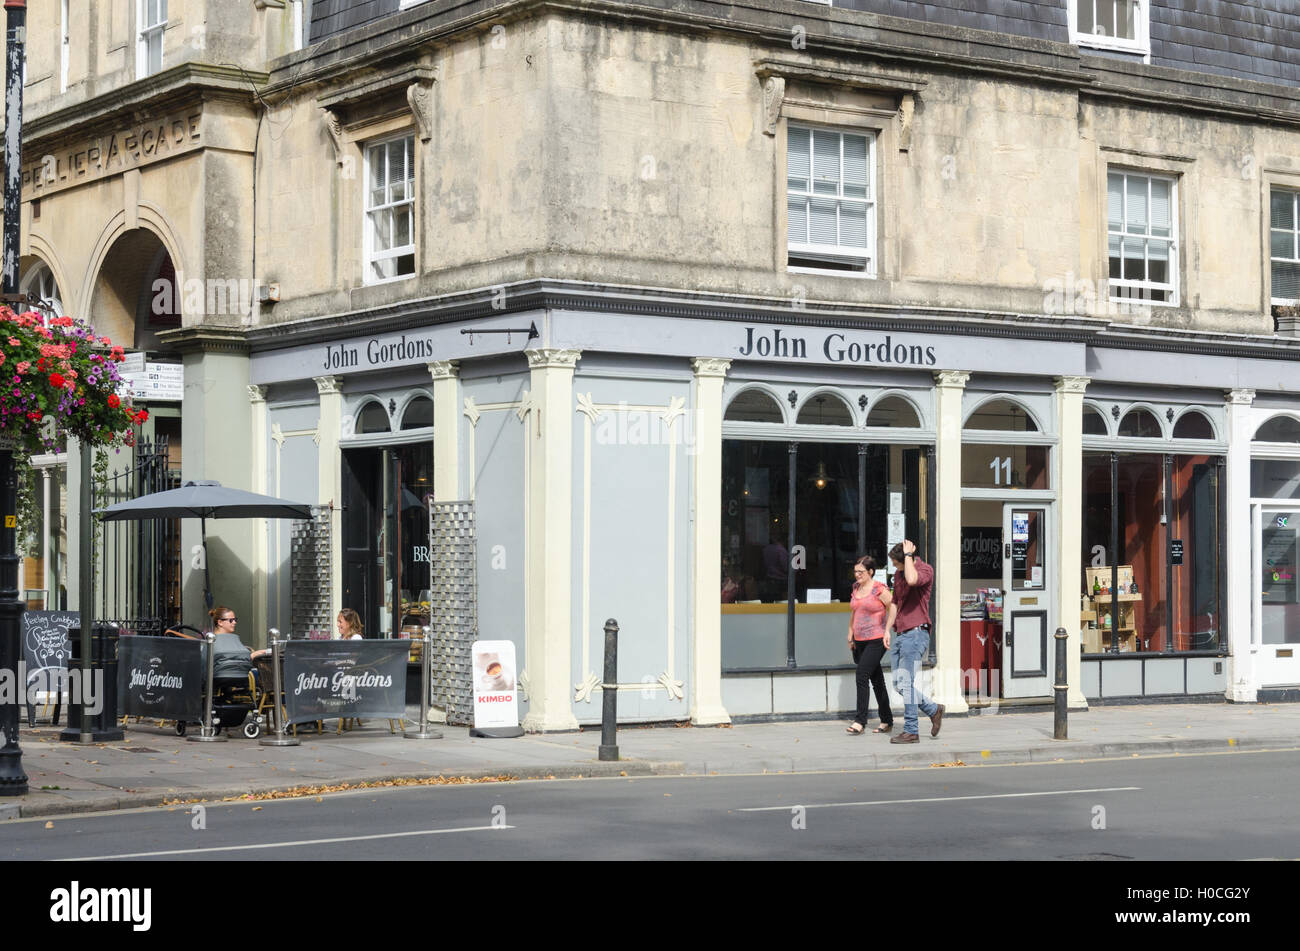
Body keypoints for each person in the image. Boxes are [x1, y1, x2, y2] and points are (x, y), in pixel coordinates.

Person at [884, 539, 944, 744]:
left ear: (906, 559)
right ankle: (933, 709)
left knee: (905, 683)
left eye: (895, 562)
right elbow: (894, 603)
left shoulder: (924, 570)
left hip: (916, 633)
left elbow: (912, 580)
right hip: (900, 634)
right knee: (899, 684)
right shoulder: (900, 574)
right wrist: (886, 630)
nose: (893, 567)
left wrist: (908, 556)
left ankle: (911, 730)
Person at [845, 555, 894, 735]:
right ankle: (887, 720)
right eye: (855, 572)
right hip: (859, 640)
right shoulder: (856, 588)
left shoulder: (879, 589)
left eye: (861, 572)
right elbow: (854, 611)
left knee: (862, 675)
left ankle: (860, 721)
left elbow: (893, 608)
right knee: (877, 681)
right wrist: (850, 634)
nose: (857, 575)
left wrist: (888, 630)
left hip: (876, 639)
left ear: (871, 572)